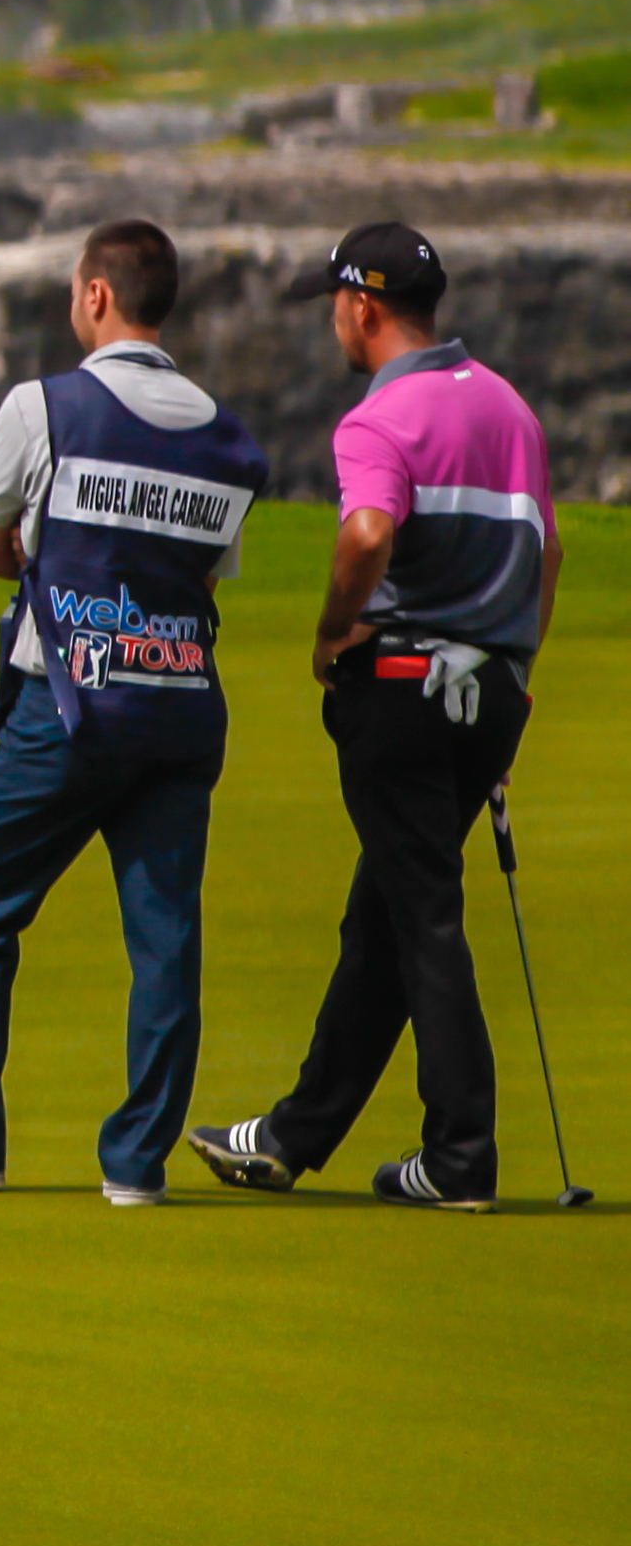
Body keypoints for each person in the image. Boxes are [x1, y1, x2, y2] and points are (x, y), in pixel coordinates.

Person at [0, 219, 264, 1204]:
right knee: (163, 939)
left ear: (93, 296)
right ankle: (134, 1165)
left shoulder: (46, 405)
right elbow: (207, 572)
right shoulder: (229, 440)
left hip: (70, 705)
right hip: (182, 705)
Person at [194, 222, 563, 1209]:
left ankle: (459, 1155)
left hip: (399, 693)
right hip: (491, 692)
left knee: (423, 918)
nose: (332, 323)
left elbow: (365, 530)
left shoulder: (375, 419)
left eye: (333, 306)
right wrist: (514, 686)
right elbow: (548, 554)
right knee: (388, 918)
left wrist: (328, 633)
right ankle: (291, 1134)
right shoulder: (508, 407)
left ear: (361, 305)